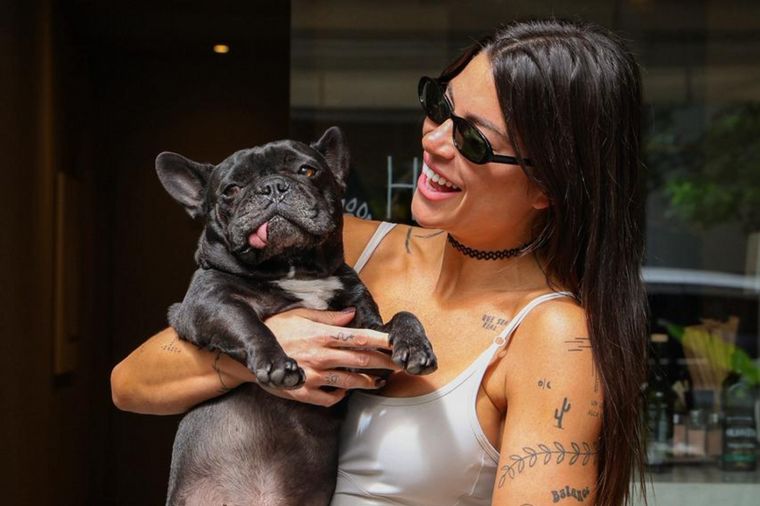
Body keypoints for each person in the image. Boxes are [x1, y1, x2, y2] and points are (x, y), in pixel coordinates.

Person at [111, 18, 648, 505]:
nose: (435, 141)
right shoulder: (340, 247)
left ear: (546, 186)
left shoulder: (553, 337)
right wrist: (264, 356)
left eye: (473, 140)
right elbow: (129, 383)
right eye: (439, 107)